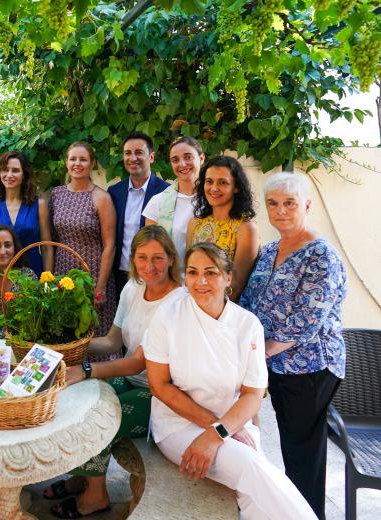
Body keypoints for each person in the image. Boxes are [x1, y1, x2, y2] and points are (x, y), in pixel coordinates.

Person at [143, 243, 315, 519]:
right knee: (251, 465)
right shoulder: (168, 317)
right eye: (192, 272)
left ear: (228, 278)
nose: (200, 281)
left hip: (231, 423)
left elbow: (252, 394)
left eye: (210, 273)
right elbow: (159, 386)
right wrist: (217, 429)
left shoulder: (247, 325)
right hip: (178, 426)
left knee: (253, 485)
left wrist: (219, 433)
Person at [46, 226, 185, 518]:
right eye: (142, 257)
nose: (150, 266)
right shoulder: (133, 288)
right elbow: (113, 340)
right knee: (80, 403)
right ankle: (84, 477)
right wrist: (67, 348)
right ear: (133, 259)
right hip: (133, 379)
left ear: (171, 259)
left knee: (99, 420)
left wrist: (85, 368)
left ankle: (96, 496)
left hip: (162, 392)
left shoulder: (177, 302)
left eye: (158, 258)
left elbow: (138, 361)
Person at [240, 172, 346, 519]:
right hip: (276, 365)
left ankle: (307, 515)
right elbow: (249, 303)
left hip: (309, 367)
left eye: (289, 203)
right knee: (291, 445)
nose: (281, 210)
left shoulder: (320, 255)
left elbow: (305, 322)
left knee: (302, 454)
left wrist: (257, 353)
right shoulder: (270, 250)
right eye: (273, 203)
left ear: (307, 205)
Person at [50, 141, 117, 342]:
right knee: (65, 331)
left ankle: (99, 373)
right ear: (66, 162)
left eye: (83, 159)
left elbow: (110, 246)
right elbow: (52, 239)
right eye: (73, 159)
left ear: (92, 163)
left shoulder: (101, 198)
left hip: (93, 273)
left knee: (93, 329)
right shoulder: (56, 194)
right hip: (63, 271)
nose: (77, 163)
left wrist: (101, 286)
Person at [187, 155, 258, 299]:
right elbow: (190, 271)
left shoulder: (245, 228)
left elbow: (236, 285)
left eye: (223, 182)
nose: (214, 188)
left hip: (223, 310)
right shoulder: (194, 223)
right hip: (192, 304)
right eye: (209, 181)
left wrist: (207, 310)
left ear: (236, 187)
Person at [108, 132, 169, 291]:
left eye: (139, 152)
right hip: (120, 274)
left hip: (152, 274)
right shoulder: (114, 192)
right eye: (127, 153)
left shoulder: (166, 193)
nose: (132, 158)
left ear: (152, 157)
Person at [0, 150, 53, 275]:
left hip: (32, 273)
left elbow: (47, 248)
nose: (9, 175)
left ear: (24, 174)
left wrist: (47, 281)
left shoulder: (39, 205)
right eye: (5, 170)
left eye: (15, 170)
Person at [143, 136, 204, 262]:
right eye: (175, 160)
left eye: (188, 157)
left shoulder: (216, 199)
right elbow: (150, 249)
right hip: (170, 277)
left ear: (201, 158)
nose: (182, 164)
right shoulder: (157, 202)